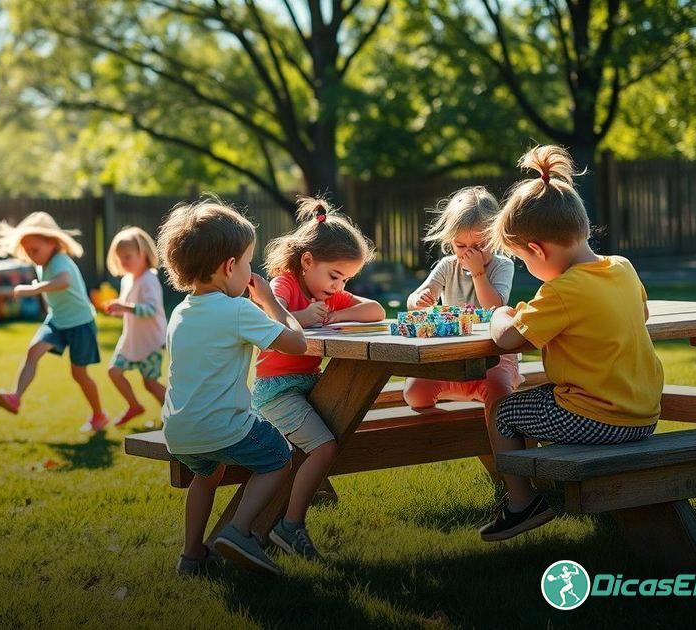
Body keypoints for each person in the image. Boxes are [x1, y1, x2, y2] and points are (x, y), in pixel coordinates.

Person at [483, 145, 664, 541]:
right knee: (538, 393)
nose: (530, 271)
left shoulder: (561, 291)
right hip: (644, 416)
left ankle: (522, 503)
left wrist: (500, 313)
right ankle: (544, 485)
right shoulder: (621, 268)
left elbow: (507, 338)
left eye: (524, 261)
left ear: (537, 249)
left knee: (504, 410)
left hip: (598, 420)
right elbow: (642, 316)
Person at [158, 199, 306, 576]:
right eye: (247, 263)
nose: (249, 271)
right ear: (229, 267)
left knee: (207, 476)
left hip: (180, 431)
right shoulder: (239, 310)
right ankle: (239, 532)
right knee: (280, 455)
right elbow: (297, 343)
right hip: (223, 427)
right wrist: (271, 302)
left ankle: (191, 556)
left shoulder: (181, 311)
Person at [253, 197, 384, 561]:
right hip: (276, 392)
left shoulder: (323, 294)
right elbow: (268, 318)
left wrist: (331, 315)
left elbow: (376, 310)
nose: (337, 285)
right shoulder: (285, 285)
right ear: (307, 261)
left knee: (345, 422)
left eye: (345, 279)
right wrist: (302, 316)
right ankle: (290, 525)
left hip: (307, 388)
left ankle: (315, 490)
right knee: (326, 446)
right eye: (334, 276)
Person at [403, 187, 522, 476]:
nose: (468, 254)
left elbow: (495, 305)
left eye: (478, 246)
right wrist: (419, 299)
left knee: (499, 398)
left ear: (495, 237)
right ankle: (463, 423)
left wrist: (479, 272)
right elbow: (416, 299)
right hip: (453, 356)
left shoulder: (502, 267)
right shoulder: (447, 266)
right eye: (460, 245)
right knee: (414, 394)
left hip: (493, 355)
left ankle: (506, 456)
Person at [0, 212, 108, 432]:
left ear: (52, 242)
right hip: (57, 320)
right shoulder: (42, 263)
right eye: (27, 251)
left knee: (79, 374)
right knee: (33, 350)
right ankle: (15, 397)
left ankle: (99, 415)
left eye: (35, 250)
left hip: (80, 323)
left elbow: (63, 282)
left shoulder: (60, 259)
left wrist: (33, 289)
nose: (32, 256)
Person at [103, 226, 167, 427]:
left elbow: (151, 309)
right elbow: (128, 307)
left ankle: (174, 415)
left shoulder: (149, 279)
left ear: (143, 254)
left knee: (150, 382)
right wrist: (117, 308)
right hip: (131, 340)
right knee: (114, 371)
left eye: (128, 256)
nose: (123, 261)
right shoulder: (127, 280)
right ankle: (134, 405)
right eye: (120, 257)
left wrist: (125, 307)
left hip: (151, 342)